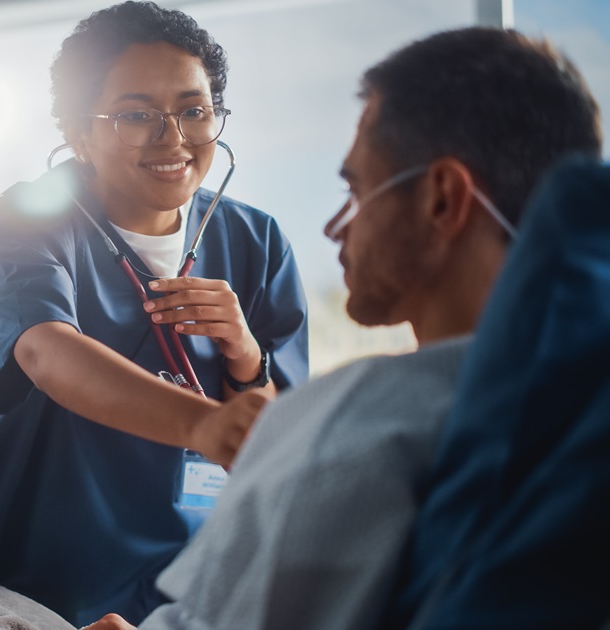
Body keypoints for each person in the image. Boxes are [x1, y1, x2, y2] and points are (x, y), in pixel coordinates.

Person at [77, 26, 602, 630]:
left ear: (441, 199)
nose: (334, 227)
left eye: (357, 189)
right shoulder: (579, 406)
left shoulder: (359, 422)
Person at [0, 2, 309, 625]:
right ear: (78, 133)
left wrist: (245, 353)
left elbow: (270, 437)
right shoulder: (32, 217)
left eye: (194, 110)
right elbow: (46, 351)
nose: (174, 138)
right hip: (14, 565)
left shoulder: (256, 242)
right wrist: (201, 426)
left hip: (180, 570)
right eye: (136, 115)